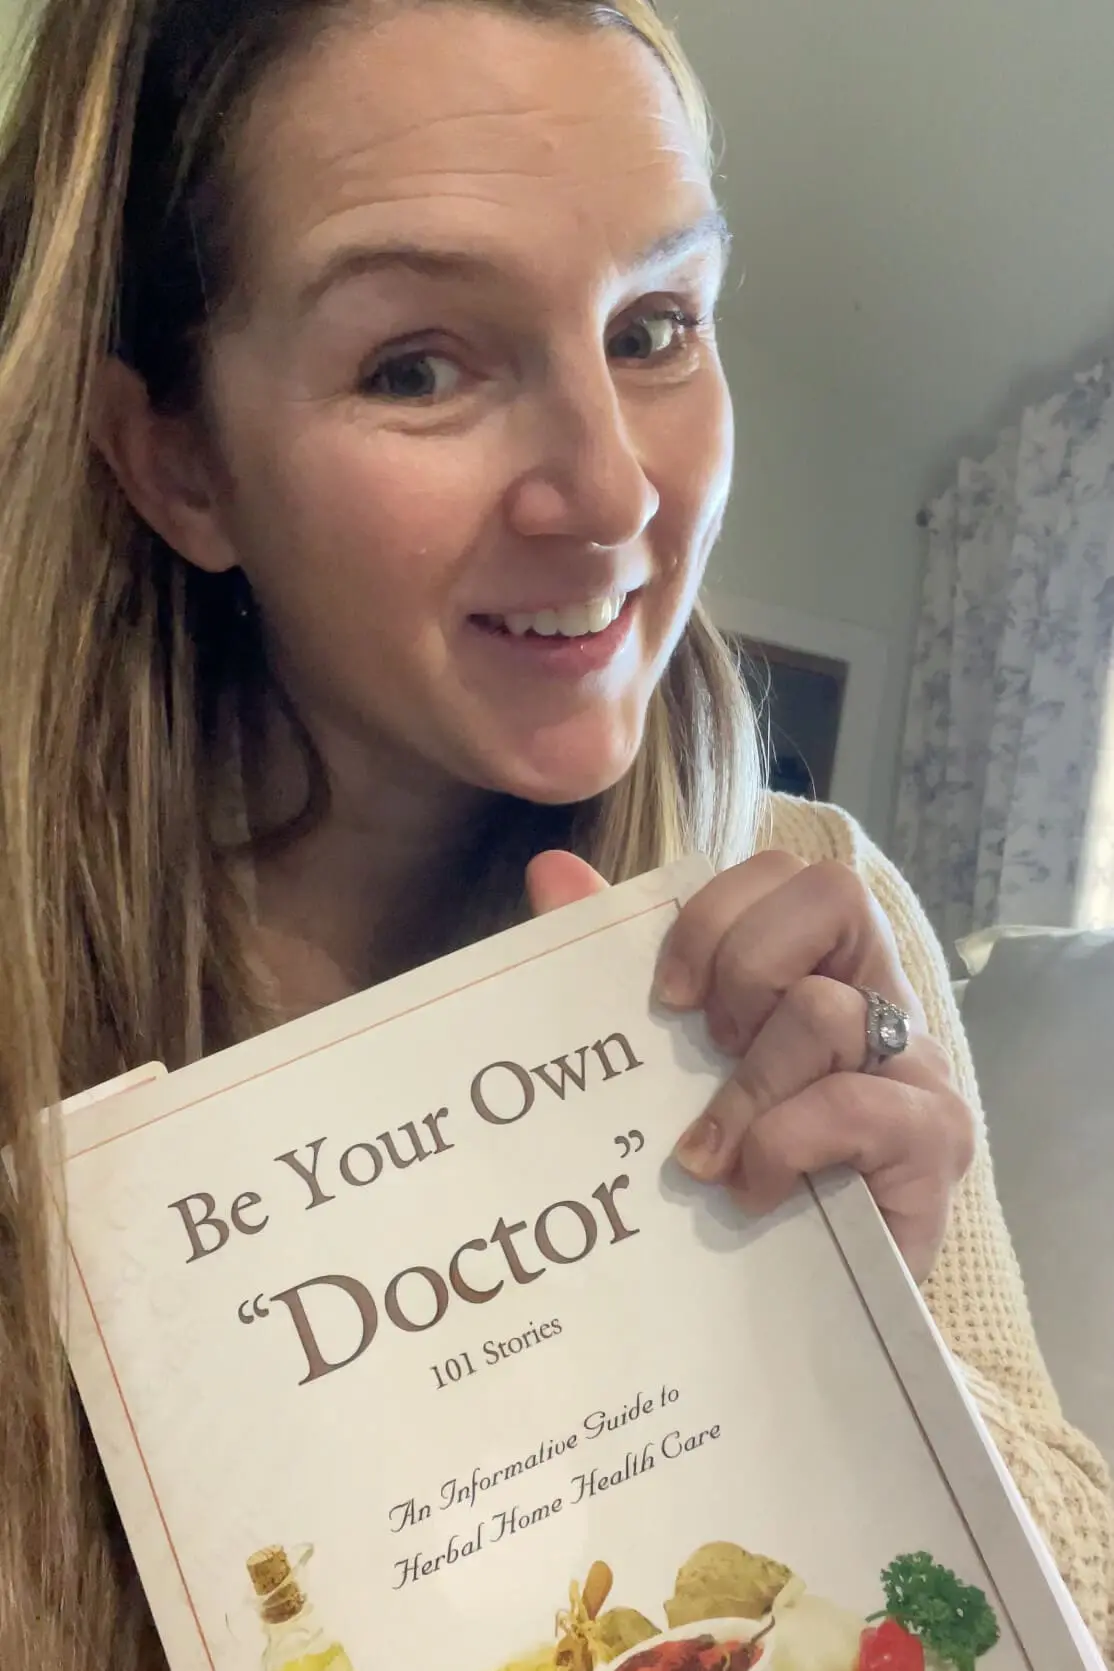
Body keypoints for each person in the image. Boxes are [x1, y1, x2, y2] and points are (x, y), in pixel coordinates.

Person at [0, 0, 1108, 1665]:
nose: (611, 494)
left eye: (654, 326)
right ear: (178, 464)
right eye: (417, 364)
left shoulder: (807, 898)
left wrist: (887, 1354)